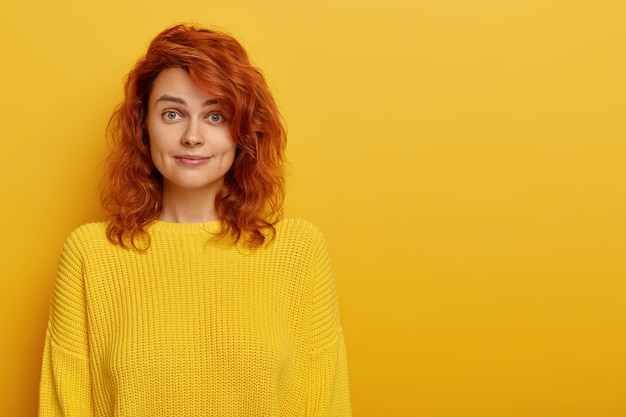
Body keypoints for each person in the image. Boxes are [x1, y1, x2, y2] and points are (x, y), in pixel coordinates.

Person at [38, 24, 351, 417]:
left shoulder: (298, 251)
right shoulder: (91, 254)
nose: (192, 136)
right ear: (143, 127)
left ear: (243, 131)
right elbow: (64, 405)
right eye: (172, 113)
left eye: (216, 115)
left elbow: (326, 401)